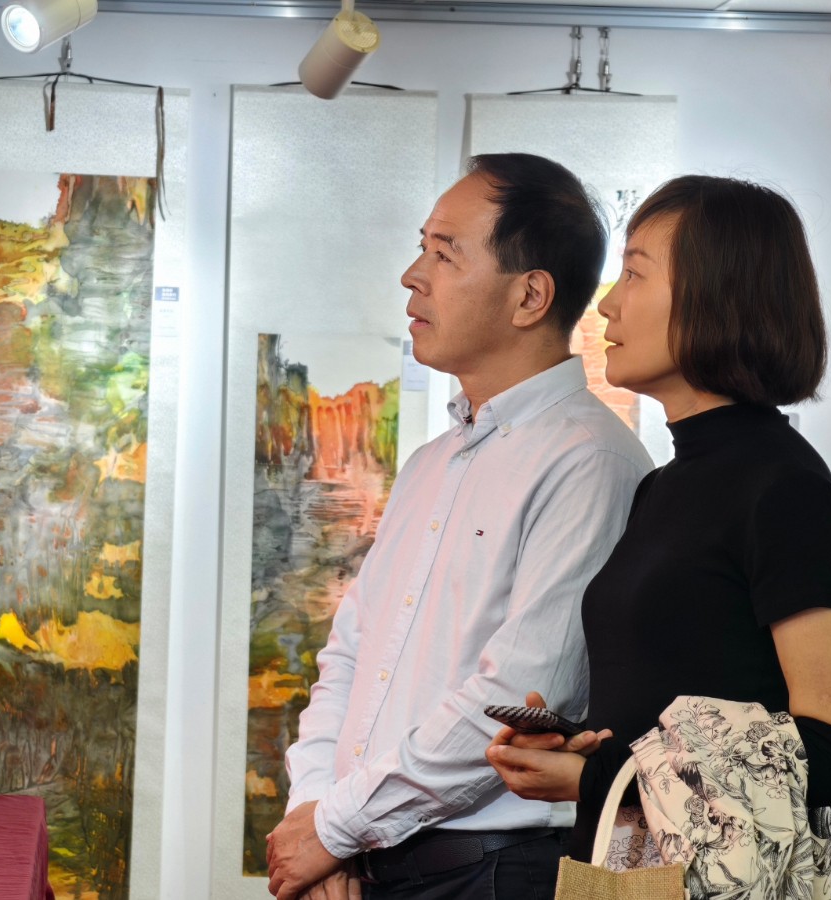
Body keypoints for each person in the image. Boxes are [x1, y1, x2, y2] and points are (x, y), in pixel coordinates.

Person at [263, 154, 654, 900]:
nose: (413, 276)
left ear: (529, 295)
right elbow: (348, 656)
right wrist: (315, 811)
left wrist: (335, 829)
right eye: (423, 249)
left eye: (445, 254)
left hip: (490, 872)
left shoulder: (591, 460)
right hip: (373, 855)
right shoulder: (431, 463)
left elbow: (518, 695)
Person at [485, 175, 831, 867]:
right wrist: (579, 747)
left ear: (719, 293)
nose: (608, 304)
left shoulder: (782, 482)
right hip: (621, 865)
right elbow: (672, 706)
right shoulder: (660, 485)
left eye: (634, 273)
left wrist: (598, 779)